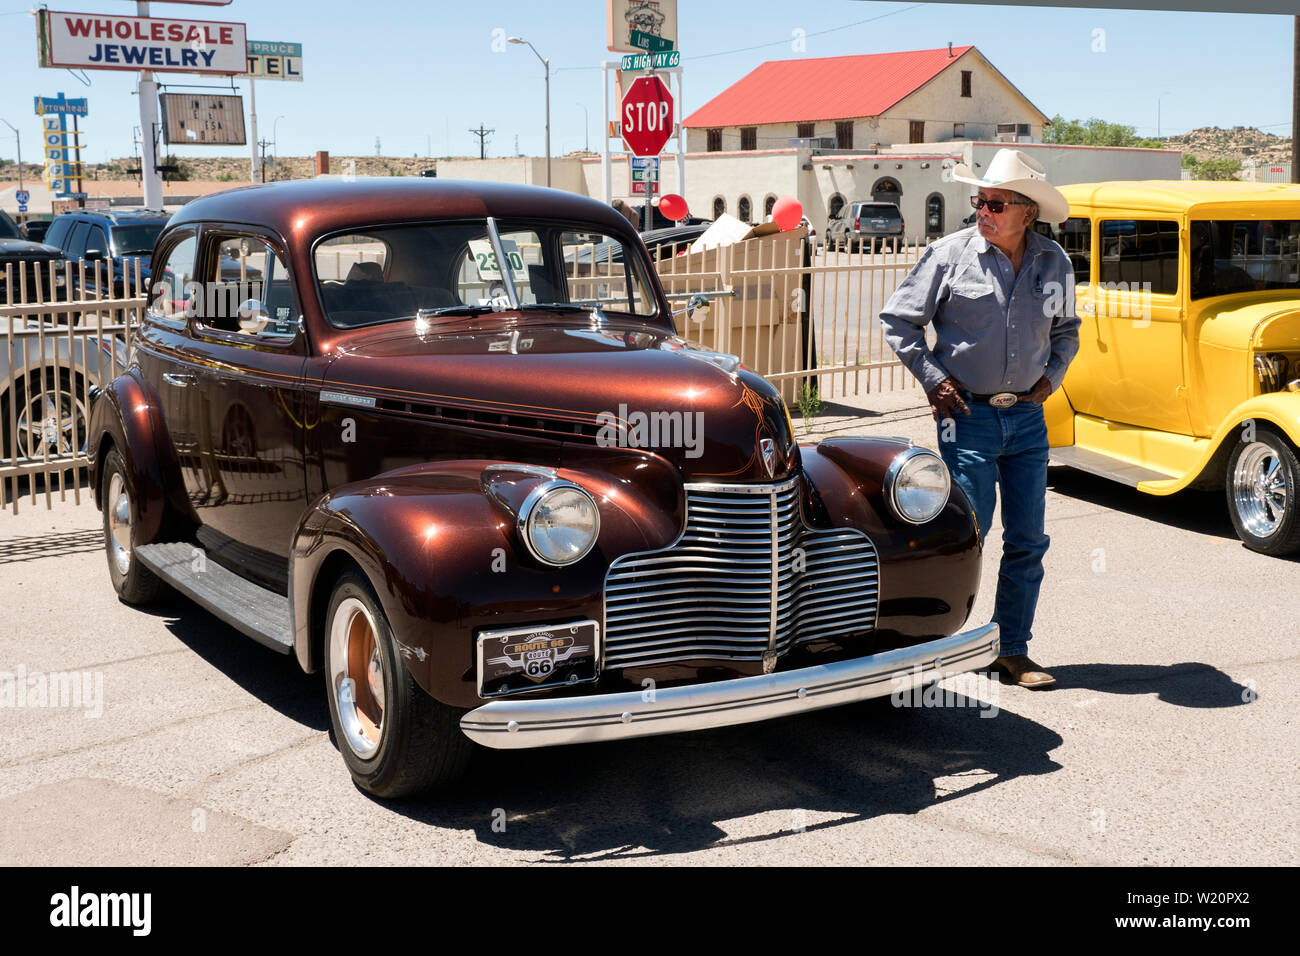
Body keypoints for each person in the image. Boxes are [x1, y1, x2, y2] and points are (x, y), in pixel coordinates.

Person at [878, 149, 1080, 688]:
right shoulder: (949, 256)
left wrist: (1051, 378)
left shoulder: (1053, 261)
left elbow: (1066, 331)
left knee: (1029, 540)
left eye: (995, 203)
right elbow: (898, 320)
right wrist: (933, 377)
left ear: (1027, 212)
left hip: (1029, 421)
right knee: (967, 534)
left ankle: (1011, 650)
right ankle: (943, 651)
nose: (983, 212)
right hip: (967, 417)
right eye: (979, 201)